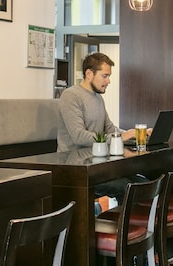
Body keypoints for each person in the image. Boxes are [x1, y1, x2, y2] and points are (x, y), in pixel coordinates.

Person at [57, 52, 142, 205]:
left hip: (97, 165)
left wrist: (134, 134)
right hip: (76, 169)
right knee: (126, 188)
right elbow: (79, 136)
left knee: (141, 183)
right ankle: (125, 228)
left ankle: (139, 226)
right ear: (89, 74)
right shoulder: (70, 96)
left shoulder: (98, 98)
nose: (108, 81)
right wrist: (119, 137)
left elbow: (110, 128)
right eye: (105, 76)